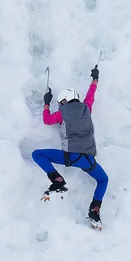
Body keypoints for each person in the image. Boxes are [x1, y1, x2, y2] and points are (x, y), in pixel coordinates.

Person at [31, 66, 108, 230]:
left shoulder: (61, 113)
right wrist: (95, 78)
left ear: (64, 100)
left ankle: (58, 181)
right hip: (88, 159)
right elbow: (90, 95)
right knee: (103, 180)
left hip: (70, 156)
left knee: (37, 155)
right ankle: (95, 209)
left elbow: (47, 120)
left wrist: (46, 103)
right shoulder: (86, 108)